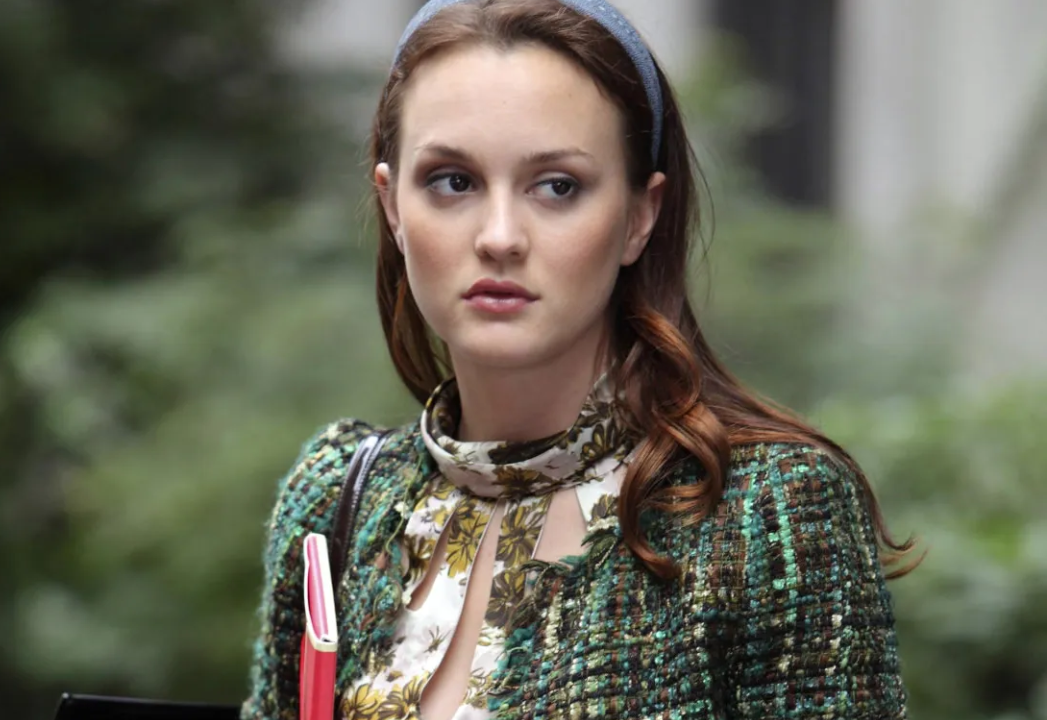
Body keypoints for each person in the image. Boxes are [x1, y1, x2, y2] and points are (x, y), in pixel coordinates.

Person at [243, 1, 916, 718]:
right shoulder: (337, 500)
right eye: (453, 181)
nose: (500, 237)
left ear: (639, 217)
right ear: (393, 207)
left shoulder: (765, 512)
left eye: (557, 186)